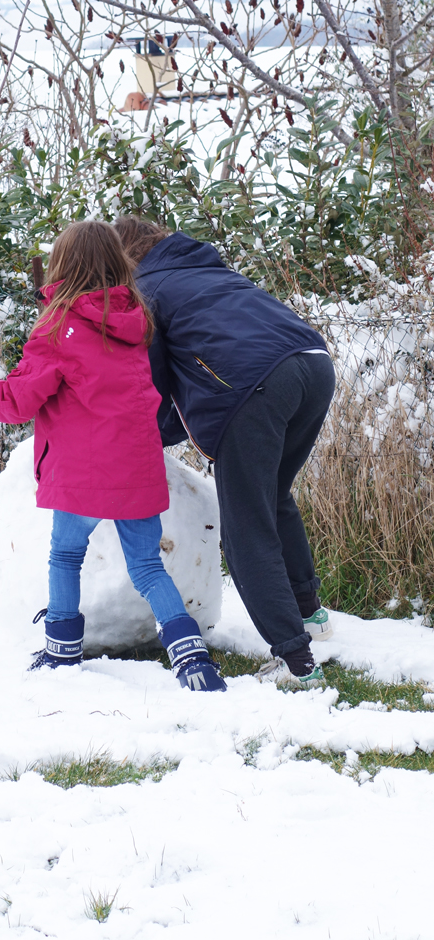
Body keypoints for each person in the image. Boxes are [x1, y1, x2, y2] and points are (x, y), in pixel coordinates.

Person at [0, 221, 226, 692]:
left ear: (61, 266)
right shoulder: (137, 321)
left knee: (66, 556)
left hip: (81, 477)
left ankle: (62, 648)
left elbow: (17, 401)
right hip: (136, 469)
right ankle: (190, 656)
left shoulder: (57, 328)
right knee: (148, 566)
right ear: (118, 263)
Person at [114, 217, 336, 688]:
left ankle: (296, 661)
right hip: (314, 367)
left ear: (125, 257)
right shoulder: (208, 270)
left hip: (252, 387)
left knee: (245, 526)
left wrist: (141, 442)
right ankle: (309, 613)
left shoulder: (146, 292)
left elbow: (154, 388)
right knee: (272, 496)